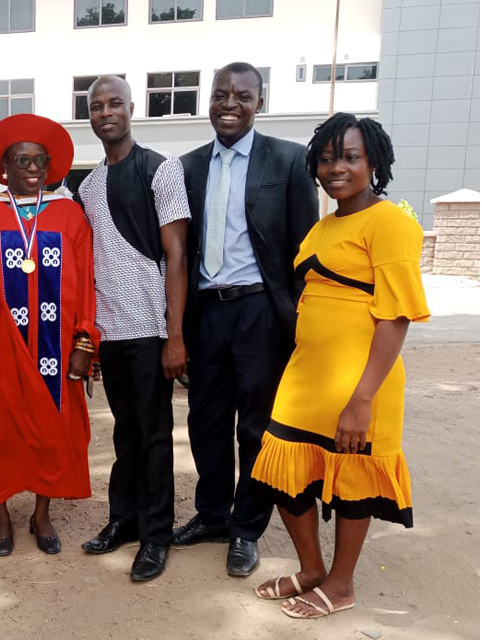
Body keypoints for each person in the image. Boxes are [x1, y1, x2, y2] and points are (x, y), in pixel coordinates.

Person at [250, 113, 428, 618]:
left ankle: (342, 584)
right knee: (285, 469)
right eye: (327, 158)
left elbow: (395, 316)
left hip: (361, 381)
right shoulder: (323, 226)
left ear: (373, 161)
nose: (337, 167)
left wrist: (363, 398)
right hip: (306, 377)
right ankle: (311, 568)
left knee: (352, 479)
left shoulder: (390, 222)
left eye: (350, 157)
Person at [175, 62, 319, 577]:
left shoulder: (289, 159)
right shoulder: (187, 166)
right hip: (205, 311)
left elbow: (306, 250)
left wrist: (300, 322)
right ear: (208, 101)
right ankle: (211, 515)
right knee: (205, 421)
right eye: (220, 94)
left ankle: (245, 529)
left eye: (241, 95)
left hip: (261, 311)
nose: (229, 103)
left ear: (260, 102)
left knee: (255, 427)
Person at [0, 114, 99, 557]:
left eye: (40, 160)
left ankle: (42, 512)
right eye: (22, 159)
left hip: (55, 349)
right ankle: (0, 511)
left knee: (52, 429)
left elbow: (87, 283)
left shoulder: (69, 214)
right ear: (5, 167)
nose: (33, 167)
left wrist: (84, 343)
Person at [76, 75, 190, 583]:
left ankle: (156, 534)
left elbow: (177, 256)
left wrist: (176, 334)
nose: (106, 112)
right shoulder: (88, 185)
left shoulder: (161, 169)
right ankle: (122, 519)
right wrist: (90, 338)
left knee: (153, 435)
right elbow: (93, 263)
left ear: (131, 108)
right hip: (111, 331)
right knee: (123, 433)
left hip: (150, 327)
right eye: (96, 105)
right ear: (90, 115)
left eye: (115, 103)